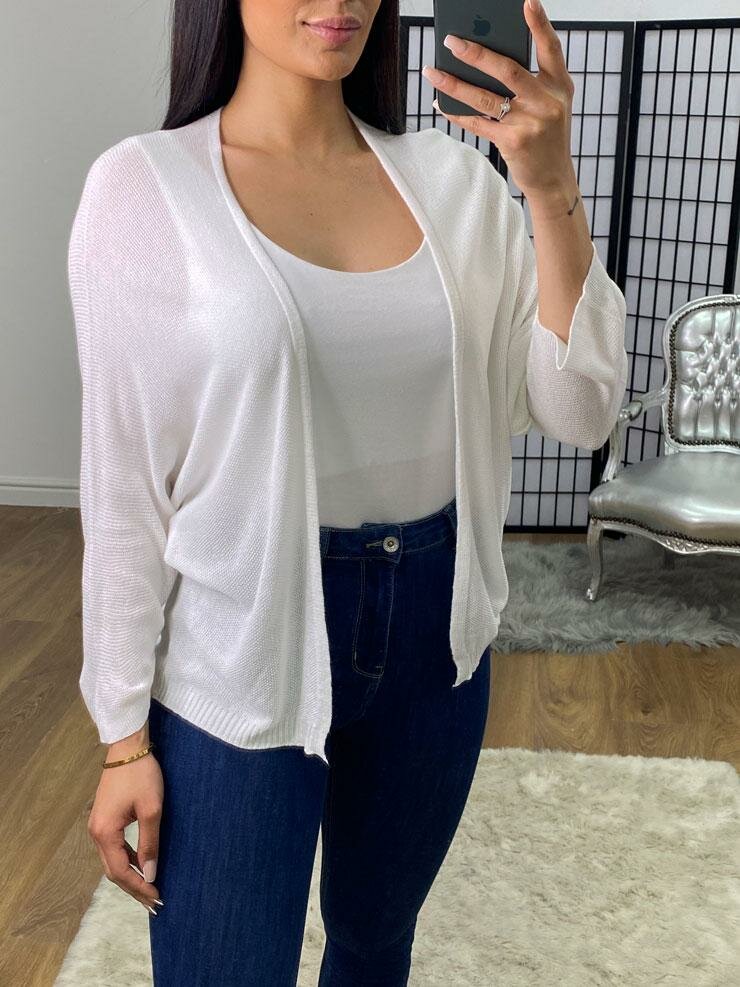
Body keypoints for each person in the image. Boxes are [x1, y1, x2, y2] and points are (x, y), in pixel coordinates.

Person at [68, 0, 628, 983]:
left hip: (436, 641)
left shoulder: (456, 184)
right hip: (243, 647)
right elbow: (124, 491)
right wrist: (122, 738)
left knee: (373, 947)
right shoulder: (145, 190)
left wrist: (547, 187)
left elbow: (578, 409)